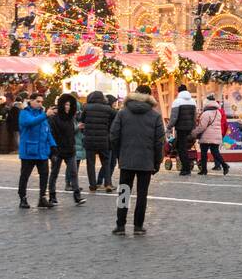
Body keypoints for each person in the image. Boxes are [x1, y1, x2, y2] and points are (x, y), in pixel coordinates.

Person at [109, 84, 164, 235]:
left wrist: (120, 153)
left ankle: (120, 225)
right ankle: (138, 226)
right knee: (142, 195)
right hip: (146, 161)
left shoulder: (122, 113)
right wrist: (157, 161)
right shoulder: (155, 115)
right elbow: (159, 141)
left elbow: (113, 136)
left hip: (127, 159)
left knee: (124, 192)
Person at [47, 93, 85, 205]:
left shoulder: (70, 118)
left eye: (69, 105)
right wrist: (53, 150)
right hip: (58, 150)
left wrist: (76, 128)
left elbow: (70, 132)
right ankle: (52, 196)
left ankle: (77, 196)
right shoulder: (54, 119)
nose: (67, 107)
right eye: (65, 105)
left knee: (73, 173)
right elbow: (52, 134)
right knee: (54, 173)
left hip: (70, 149)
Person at [17, 95, 54, 209]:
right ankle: (23, 198)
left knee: (44, 175)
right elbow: (30, 123)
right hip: (29, 151)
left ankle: (42, 198)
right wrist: (45, 115)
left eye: (41, 102)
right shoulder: (24, 113)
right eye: (38, 101)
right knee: (25, 176)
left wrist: (53, 145)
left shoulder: (41, 114)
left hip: (42, 151)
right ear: (31, 101)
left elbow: (47, 131)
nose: (40, 103)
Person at [81, 90, 116, 192]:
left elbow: (82, 119)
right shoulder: (108, 108)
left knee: (90, 163)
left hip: (90, 140)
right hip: (103, 139)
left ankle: (92, 185)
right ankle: (108, 184)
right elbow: (116, 115)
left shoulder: (86, 108)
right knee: (105, 162)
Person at [191, 93, 229, 175]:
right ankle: (224, 165)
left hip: (206, 136)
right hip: (216, 136)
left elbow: (202, 126)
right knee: (215, 152)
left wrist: (194, 133)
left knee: (204, 153)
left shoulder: (206, 113)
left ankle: (204, 170)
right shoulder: (218, 112)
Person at [168, 84, 198, 176]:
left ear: (179, 91)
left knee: (181, 148)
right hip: (190, 128)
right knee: (186, 147)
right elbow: (195, 116)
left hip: (180, 128)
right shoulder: (193, 101)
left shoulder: (177, 102)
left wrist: (169, 127)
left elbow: (174, 117)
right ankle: (186, 167)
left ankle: (186, 168)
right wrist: (193, 127)